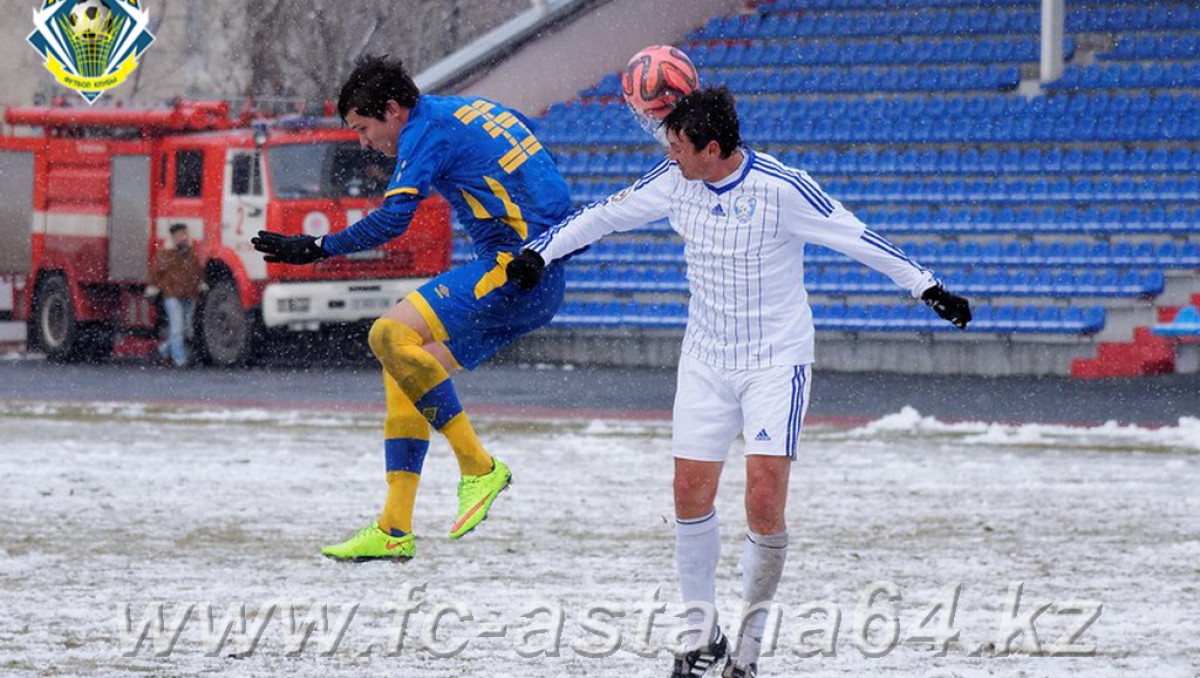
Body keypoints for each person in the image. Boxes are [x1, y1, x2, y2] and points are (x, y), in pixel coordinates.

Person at [506, 87, 972, 678]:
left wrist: (927, 288)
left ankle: (748, 652)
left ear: (714, 147)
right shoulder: (675, 180)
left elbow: (858, 237)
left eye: (678, 147)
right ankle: (703, 635)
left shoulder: (782, 189)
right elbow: (601, 215)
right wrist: (538, 255)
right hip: (705, 359)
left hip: (775, 362)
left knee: (762, 499)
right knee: (689, 495)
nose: (669, 155)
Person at [251, 55, 573, 562]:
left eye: (363, 128)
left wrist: (315, 249)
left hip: (514, 270)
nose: (363, 142)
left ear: (394, 111)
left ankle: (479, 467)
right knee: (404, 366)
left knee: (387, 335)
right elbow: (552, 186)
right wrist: (557, 248)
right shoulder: (468, 111)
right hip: (534, 272)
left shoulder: (427, 132)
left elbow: (391, 222)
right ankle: (394, 528)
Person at [146, 223, 205, 367]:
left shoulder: (190, 253)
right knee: (178, 328)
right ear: (173, 237)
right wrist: (158, 287)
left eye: (185, 234)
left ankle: (163, 350)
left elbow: (196, 271)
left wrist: (200, 283)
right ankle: (180, 360)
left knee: (184, 329)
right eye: (180, 235)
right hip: (172, 296)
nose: (184, 238)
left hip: (188, 295)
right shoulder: (165, 253)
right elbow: (156, 274)